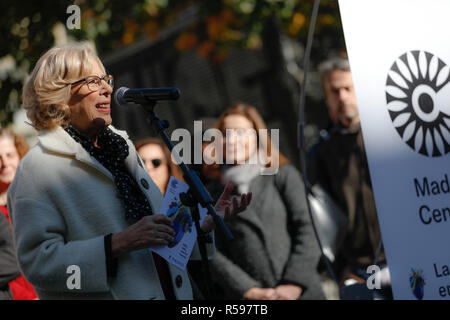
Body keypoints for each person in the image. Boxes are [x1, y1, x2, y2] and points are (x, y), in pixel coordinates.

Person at [8, 43, 250, 300]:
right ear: (59, 96)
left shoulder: (120, 147)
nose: (108, 89)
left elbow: (154, 236)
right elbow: (38, 263)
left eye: (106, 79)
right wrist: (117, 243)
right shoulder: (38, 168)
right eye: (93, 81)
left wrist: (197, 227)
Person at [201, 103, 325, 300]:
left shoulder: (281, 175)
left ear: (257, 137)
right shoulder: (211, 193)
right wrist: (248, 290)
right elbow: (211, 250)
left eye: (241, 133)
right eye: (225, 134)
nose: (232, 140)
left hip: (302, 293)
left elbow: (309, 229)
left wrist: (293, 284)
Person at [308, 56, 392, 298]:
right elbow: (319, 215)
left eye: (348, 88)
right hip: (361, 271)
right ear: (326, 98)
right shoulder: (320, 152)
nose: (342, 96)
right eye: (335, 91)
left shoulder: (390, 132)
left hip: (412, 257)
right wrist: (340, 269)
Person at [0, 128, 37, 300]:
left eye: (9, 155)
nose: (4, 163)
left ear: (20, 155)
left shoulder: (38, 199)